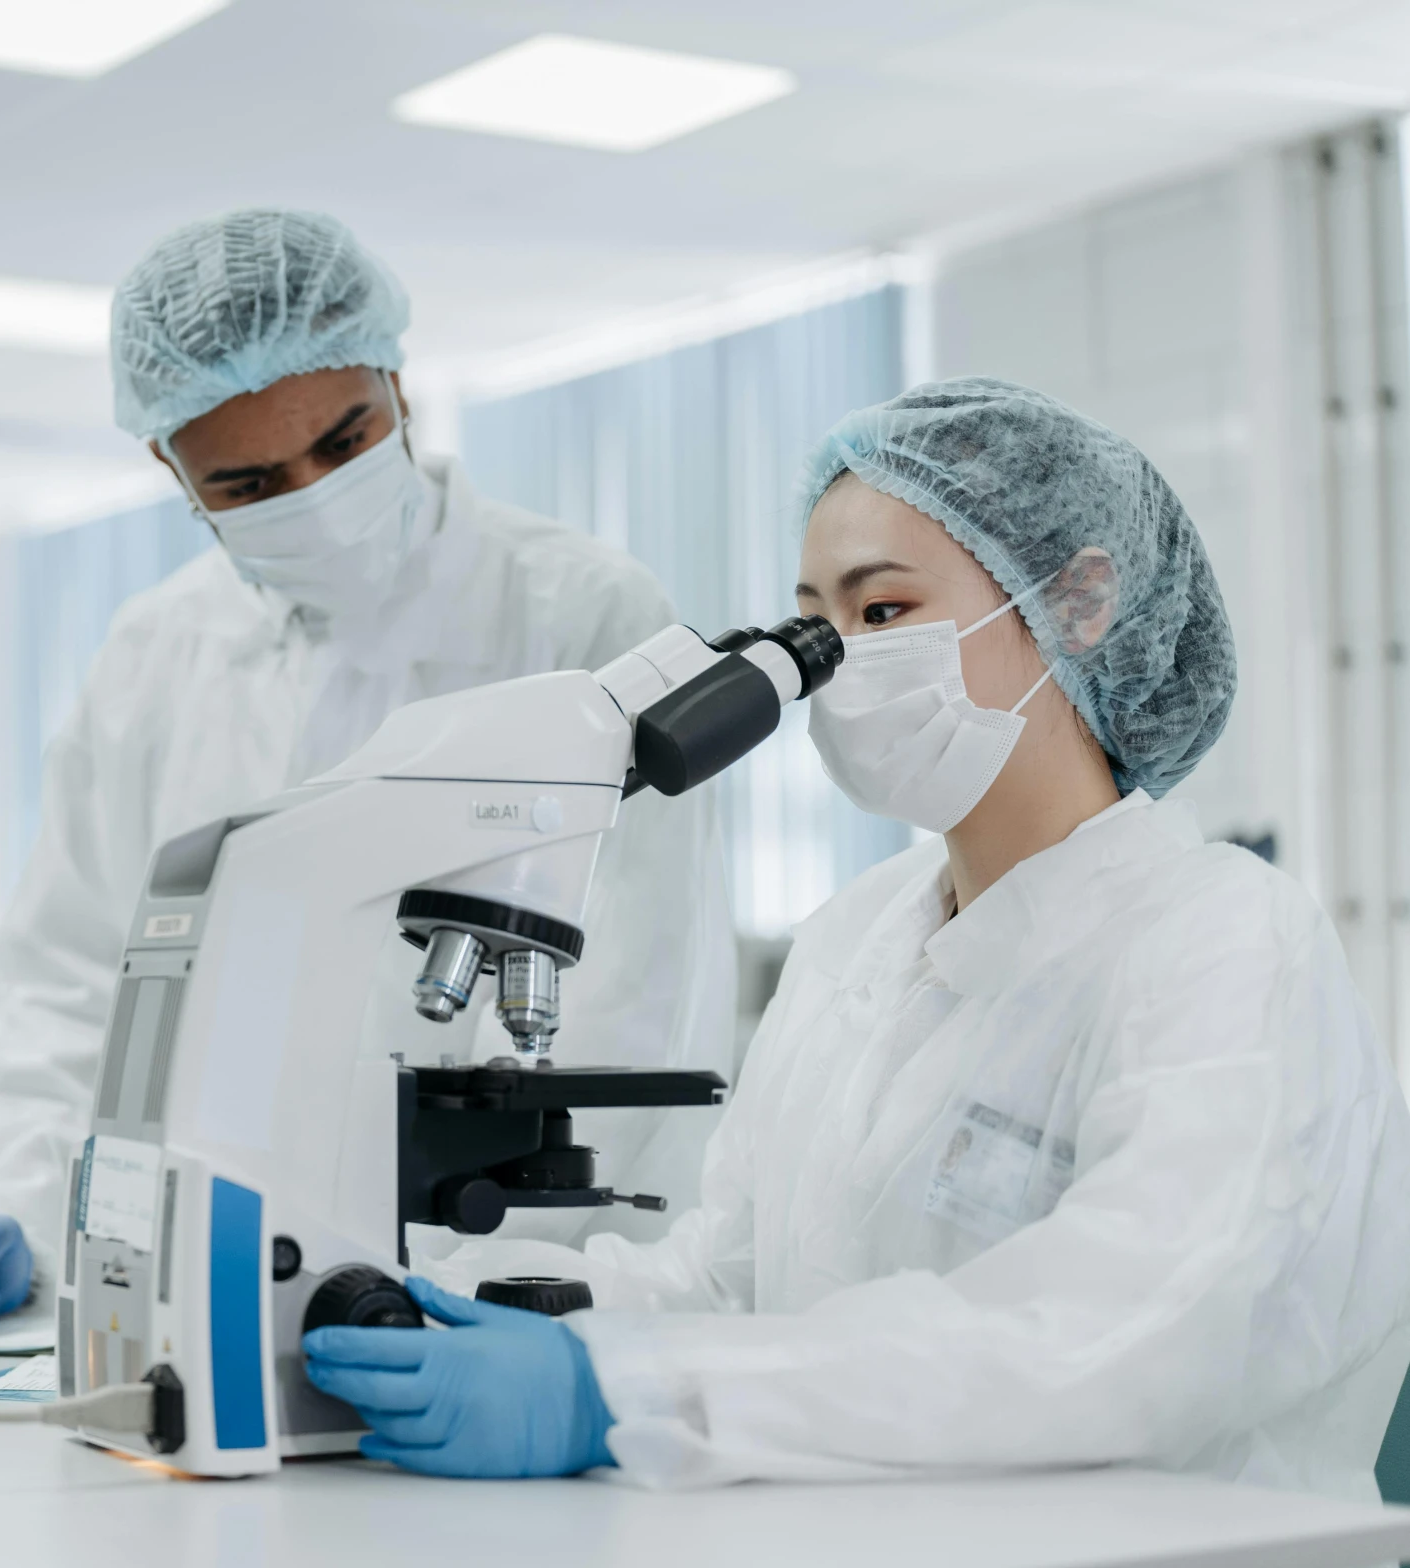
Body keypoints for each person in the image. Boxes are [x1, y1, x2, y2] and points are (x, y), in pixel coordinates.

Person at [305, 378, 1410, 1498]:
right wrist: (457, 1299)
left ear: (1077, 602)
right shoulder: (855, 937)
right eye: (817, 626)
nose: (842, 666)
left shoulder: (1223, 941)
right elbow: (730, 1281)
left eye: (882, 613)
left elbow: (1118, 1335)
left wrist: (623, 1396)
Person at [0, 209, 736, 1330]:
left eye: (343, 442)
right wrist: (14, 1215)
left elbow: (630, 999)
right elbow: (69, 984)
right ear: (169, 465)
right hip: (204, 1282)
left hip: (497, 1289)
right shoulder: (153, 656)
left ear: (398, 383)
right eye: (249, 484)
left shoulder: (581, 614)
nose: (315, 496)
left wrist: (438, 1284)